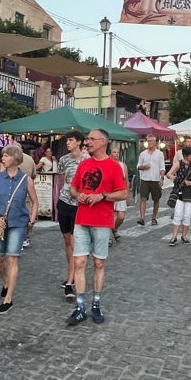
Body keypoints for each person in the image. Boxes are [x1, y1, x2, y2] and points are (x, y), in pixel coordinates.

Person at [67, 129, 128, 326]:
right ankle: (80, 307)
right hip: (82, 219)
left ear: (103, 142)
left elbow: (123, 193)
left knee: (99, 263)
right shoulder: (84, 164)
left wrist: (102, 196)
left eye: (91, 139)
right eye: (87, 139)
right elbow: (73, 188)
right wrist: (79, 196)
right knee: (79, 263)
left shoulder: (114, 166)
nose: (87, 142)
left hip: (102, 221)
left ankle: (96, 303)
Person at [0, 144, 39, 314]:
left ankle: (8, 298)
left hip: (18, 223)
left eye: (6, 155)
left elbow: (35, 201)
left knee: (12, 259)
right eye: (3, 155)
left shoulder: (26, 180)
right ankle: (6, 281)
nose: (2, 158)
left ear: (15, 158)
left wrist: (31, 220)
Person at [55, 131, 87, 300]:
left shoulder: (87, 160)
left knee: (75, 243)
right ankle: (72, 272)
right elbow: (61, 181)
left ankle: (69, 282)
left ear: (79, 142)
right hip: (65, 202)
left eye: (71, 140)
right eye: (67, 140)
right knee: (67, 241)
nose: (68, 143)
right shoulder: (64, 160)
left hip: (79, 205)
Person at [165, 145, 191, 246]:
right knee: (177, 214)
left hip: (190, 192)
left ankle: (184, 235)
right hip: (180, 192)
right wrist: (173, 177)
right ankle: (174, 236)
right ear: (185, 156)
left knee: (187, 215)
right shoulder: (178, 163)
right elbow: (168, 174)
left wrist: (190, 183)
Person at [135, 135, 165, 226]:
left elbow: (162, 167)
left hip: (155, 179)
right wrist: (143, 167)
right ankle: (142, 218)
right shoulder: (143, 154)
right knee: (143, 198)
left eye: (152, 141)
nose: (150, 143)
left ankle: (154, 218)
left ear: (155, 142)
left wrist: (162, 178)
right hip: (145, 179)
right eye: (148, 141)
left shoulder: (160, 154)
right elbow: (138, 166)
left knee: (156, 199)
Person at [109, 146, 129, 240]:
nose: (116, 154)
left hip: (121, 192)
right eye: (114, 152)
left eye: (117, 152)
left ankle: (114, 228)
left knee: (121, 216)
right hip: (110, 192)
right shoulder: (107, 164)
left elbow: (126, 181)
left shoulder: (123, 165)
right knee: (109, 216)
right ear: (110, 154)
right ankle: (108, 237)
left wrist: (127, 195)